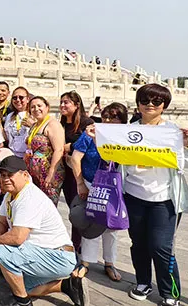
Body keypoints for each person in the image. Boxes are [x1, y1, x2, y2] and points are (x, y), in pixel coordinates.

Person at [0, 157, 89, 306]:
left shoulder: (29, 197)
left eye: (10, 175)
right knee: (12, 277)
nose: (5, 179)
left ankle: (22, 302)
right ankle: (66, 285)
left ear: (25, 175)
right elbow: (1, 220)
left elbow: (17, 237)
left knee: (2, 253)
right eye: (2, 175)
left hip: (58, 256)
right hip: (43, 252)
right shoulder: (11, 194)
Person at [123, 84, 188, 306]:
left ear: (164, 106)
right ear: (138, 104)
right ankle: (143, 281)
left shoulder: (172, 131)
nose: (150, 105)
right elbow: (116, 160)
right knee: (139, 243)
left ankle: (170, 291)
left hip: (164, 199)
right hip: (133, 194)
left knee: (161, 246)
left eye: (156, 102)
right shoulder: (129, 130)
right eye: (145, 101)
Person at [69, 102, 127, 282]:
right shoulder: (90, 133)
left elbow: (114, 159)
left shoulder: (125, 137)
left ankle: (109, 262)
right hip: (90, 182)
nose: (108, 120)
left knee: (111, 226)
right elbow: (75, 158)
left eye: (114, 117)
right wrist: (80, 184)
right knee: (91, 221)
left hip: (113, 186)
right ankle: (86, 261)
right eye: (106, 116)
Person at [59, 91, 91, 253]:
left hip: (79, 172)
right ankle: (74, 243)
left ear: (77, 105)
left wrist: (70, 147)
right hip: (66, 171)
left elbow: (89, 142)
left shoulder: (86, 122)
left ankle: (78, 245)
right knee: (73, 209)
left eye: (67, 102)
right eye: (61, 102)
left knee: (78, 209)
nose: (63, 105)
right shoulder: (62, 123)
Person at [23, 97, 66, 205]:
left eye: (39, 106)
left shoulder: (52, 124)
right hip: (35, 174)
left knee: (48, 205)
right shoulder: (35, 125)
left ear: (47, 107)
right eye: (32, 107)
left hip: (49, 173)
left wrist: (51, 174)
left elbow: (59, 149)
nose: (36, 109)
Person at [3, 87, 31, 159]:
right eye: (15, 98)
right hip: (13, 154)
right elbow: (6, 137)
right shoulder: (9, 116)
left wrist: (33, 126)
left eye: (21, 97)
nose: (18, 100)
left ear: (27, 99)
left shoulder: (33, 115)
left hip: (29, 155)